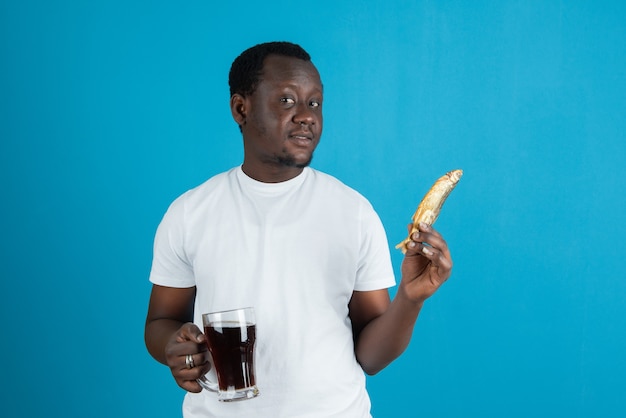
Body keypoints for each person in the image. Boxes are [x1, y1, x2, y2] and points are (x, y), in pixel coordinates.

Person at [144, 41, 453, 417]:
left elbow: (370, 357)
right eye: (287, 101)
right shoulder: (190, 212)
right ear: (241, 109)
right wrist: (173, 346)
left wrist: (411, 298)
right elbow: (161, 321)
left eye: (315, 103)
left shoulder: (353, 212)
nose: (307, 116)